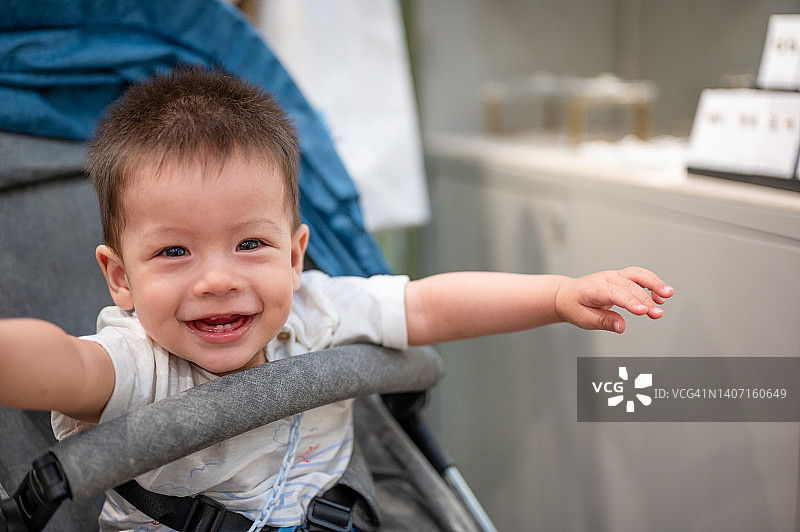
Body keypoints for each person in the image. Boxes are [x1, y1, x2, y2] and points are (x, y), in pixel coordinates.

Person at [0, 66, 673, 531]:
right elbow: (62, 363)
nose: (216, 280)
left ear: (296, 257)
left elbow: (432, 304)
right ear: (120, 278)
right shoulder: (137, 360)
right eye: (175, 252)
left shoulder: (320, 309)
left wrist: (557, 293)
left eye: (249, 246)